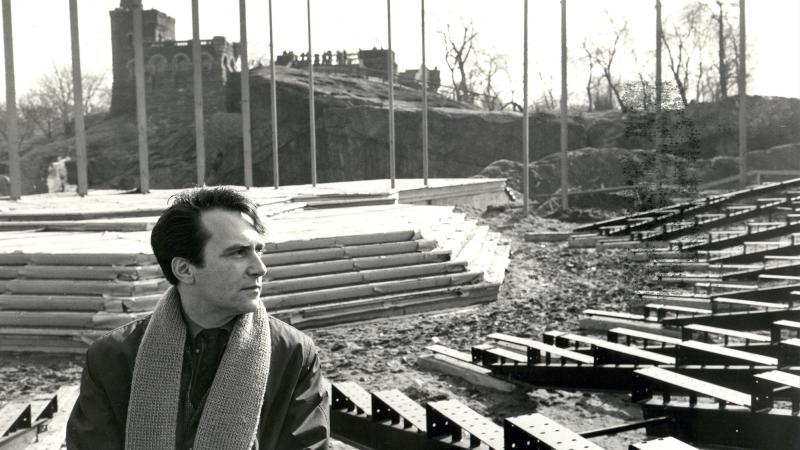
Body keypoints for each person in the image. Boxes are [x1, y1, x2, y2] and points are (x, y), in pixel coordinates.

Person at [66, 187, 329, 450]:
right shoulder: (114, 356)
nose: (259, 267)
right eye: (238, 252)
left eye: (258, 250)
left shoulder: (292, 354)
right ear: (184, 269)